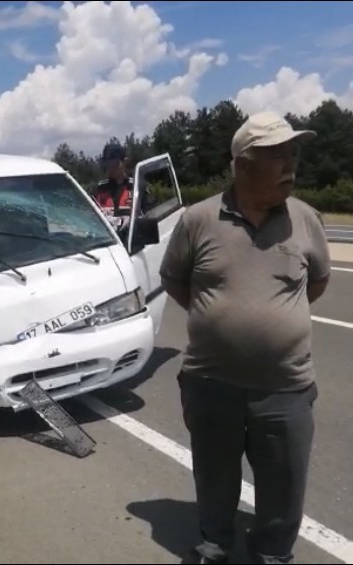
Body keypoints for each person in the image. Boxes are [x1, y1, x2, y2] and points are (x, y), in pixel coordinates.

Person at [159, 111, 330, 564]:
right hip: (211, 382)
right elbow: (175, 280)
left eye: (293, 153)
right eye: (277, 156)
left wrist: (271, 319)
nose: (291, 165)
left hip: (286, 386)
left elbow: (316, 283)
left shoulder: (306, 219)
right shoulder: (198, 220)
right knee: (214, 475)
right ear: (241, 164)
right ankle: (215, 543)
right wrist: (218, 320)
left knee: (285, 481)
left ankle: (273, 554)